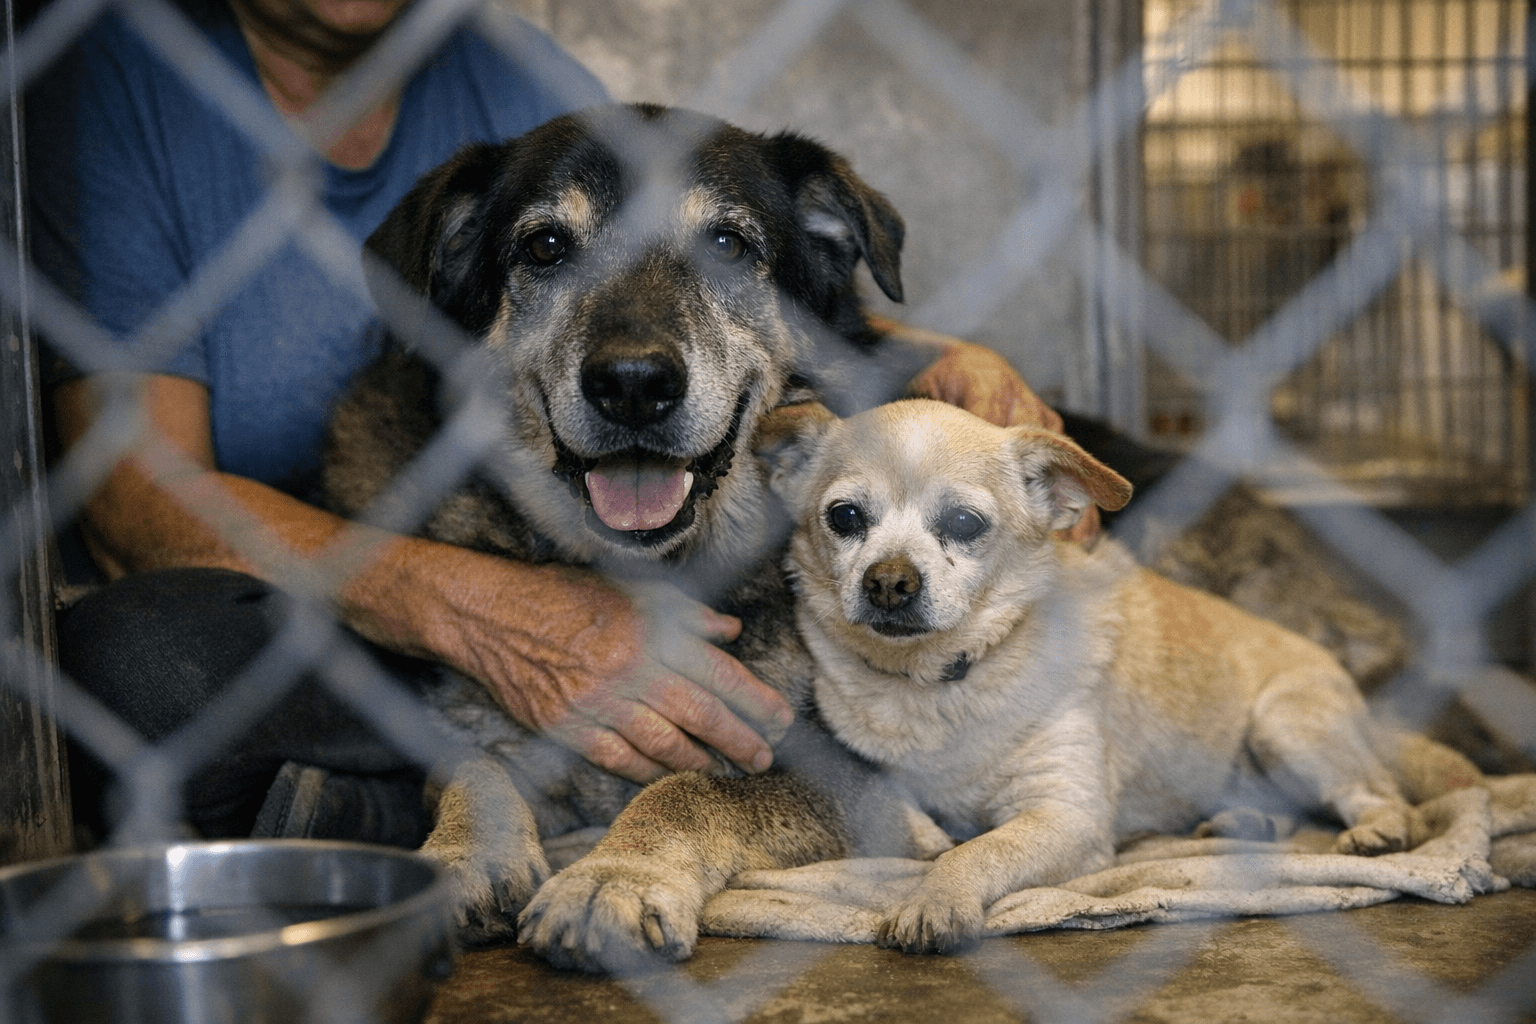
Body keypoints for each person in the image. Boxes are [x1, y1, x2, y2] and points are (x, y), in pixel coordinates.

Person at [28, 0, 1075, 844]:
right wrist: (481, 609)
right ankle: (423, 802)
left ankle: (377, 812)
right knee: (142, 662)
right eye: (543, 252)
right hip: (357, 570)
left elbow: (696, 233)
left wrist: (932, 354)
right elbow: (131, 493)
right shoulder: (110, 75)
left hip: (576, 559)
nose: (627, 365)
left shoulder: (500, 63)